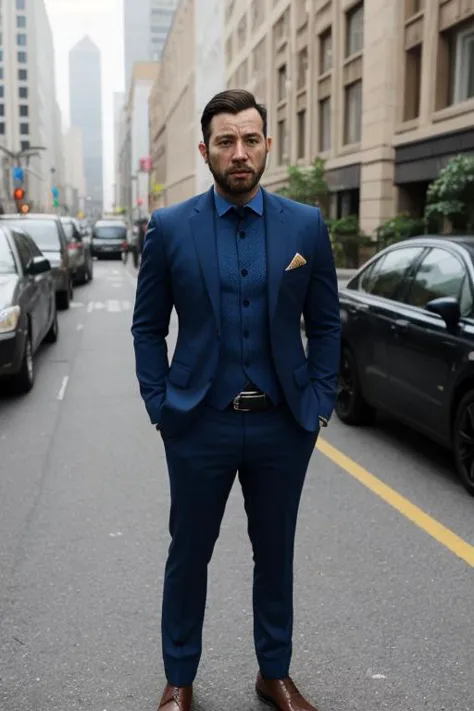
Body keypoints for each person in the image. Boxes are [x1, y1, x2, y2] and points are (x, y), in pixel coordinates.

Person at [132, 89, 341, 711]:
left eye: (250, 139)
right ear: (206, 151)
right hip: (198, 423)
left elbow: (326, 323)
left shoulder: (305, 224)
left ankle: (273, 672)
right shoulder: (172, 228)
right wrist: (159, 405)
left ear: (267, 145)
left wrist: (320, 401)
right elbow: (148, 326)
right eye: (226, 141)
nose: (240, 152)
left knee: (275, 553)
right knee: (188, 553)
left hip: (283, 423)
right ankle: (179, 679)